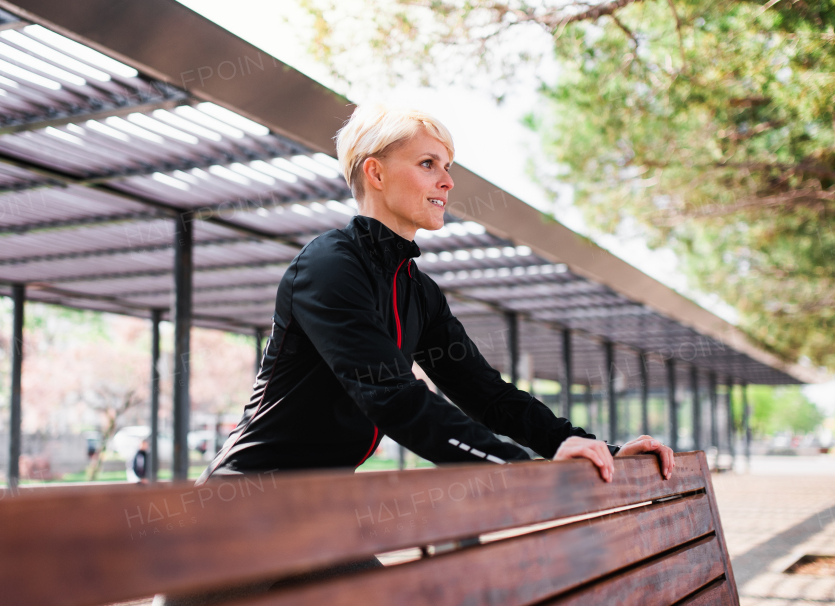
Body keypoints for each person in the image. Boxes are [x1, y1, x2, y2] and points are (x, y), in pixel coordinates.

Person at [201, 104, 673, 482]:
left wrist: (590, 446)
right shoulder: (328, 266)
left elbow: (487, 395)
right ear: (377, 174)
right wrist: (515, 467)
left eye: (447, 167)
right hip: (245, 502)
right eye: (428, 164)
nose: (447, 181)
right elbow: (393, 396)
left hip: (320, 506)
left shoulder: (417, 290)